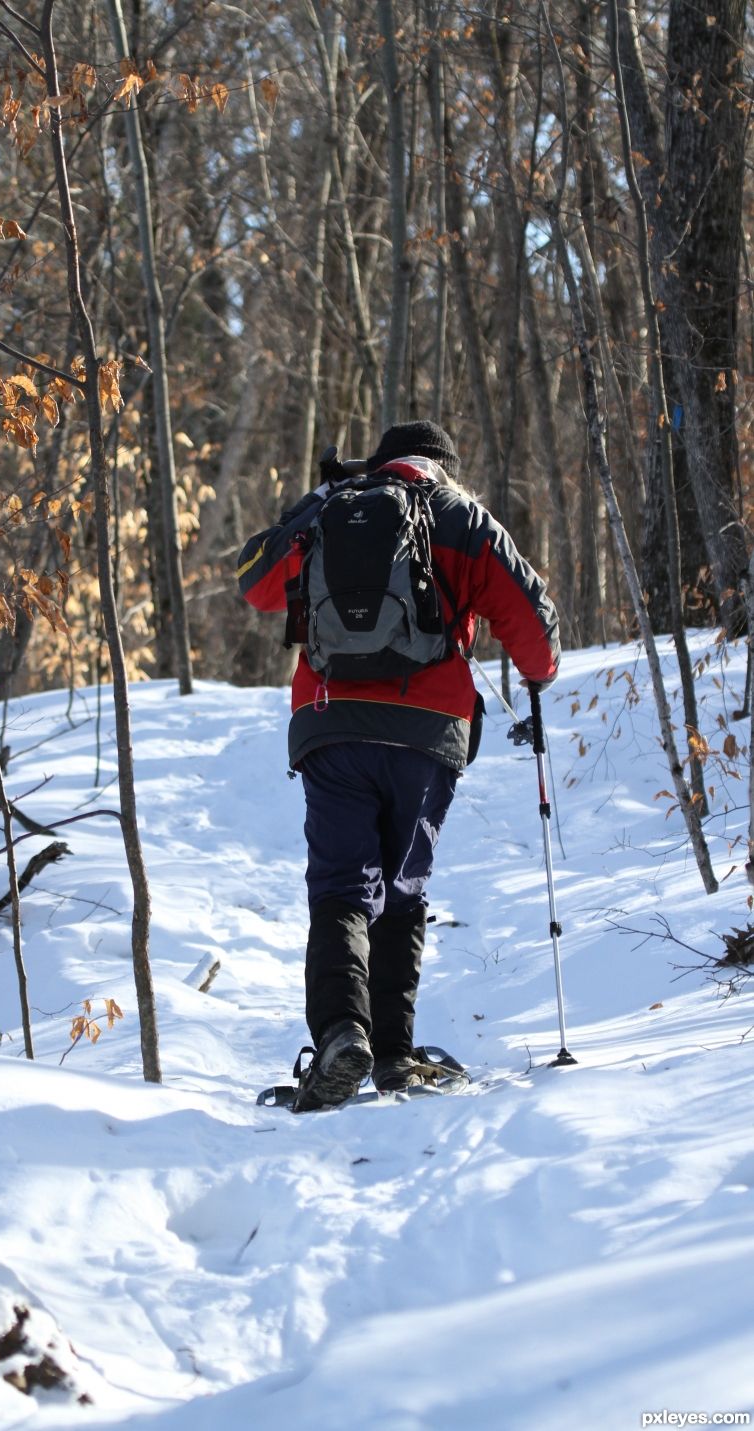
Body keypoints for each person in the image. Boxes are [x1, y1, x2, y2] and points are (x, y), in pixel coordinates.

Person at [237, 420, 559, 1109]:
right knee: (402, 890)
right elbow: (536, 639)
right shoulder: (464, 518)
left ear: (381, 465)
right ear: (443, 467)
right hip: (428, 731)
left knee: (339, 888)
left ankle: (340, 1036)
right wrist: (540, 669)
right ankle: (391, 1053)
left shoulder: (332, 509)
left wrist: (315, 501)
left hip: (331, 722)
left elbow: (255, 581)